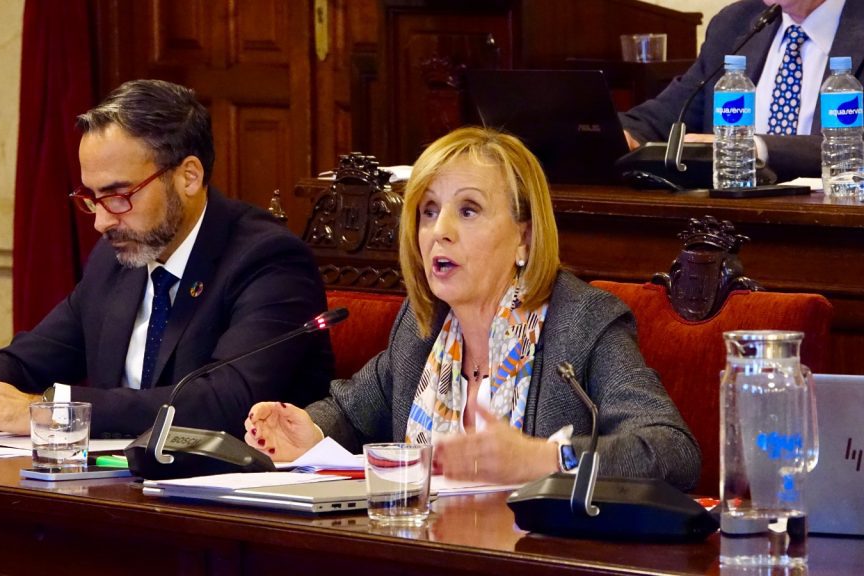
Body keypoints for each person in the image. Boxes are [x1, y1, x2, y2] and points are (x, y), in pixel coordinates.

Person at [244, 126, 700, 490]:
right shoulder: (423, 329)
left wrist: (546, 459)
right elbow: (350, 411)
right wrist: (308, 430)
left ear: (524, 236)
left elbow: (672, 451)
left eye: (468, 211)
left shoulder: (581, 323)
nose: (439, 231)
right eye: (428, 210)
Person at [0, 79, 333, 439]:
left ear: (189, 176)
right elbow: (35, 356)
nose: (102, 221)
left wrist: (49, 410)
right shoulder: (117, 259)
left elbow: (224, 402)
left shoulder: (268, 261)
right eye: (92, 198)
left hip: (230, 499)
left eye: (119, 195)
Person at [620, 0, 863, 181]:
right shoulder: (734, 22)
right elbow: (669, 114)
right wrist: (623, 133)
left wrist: (752, 147)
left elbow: (853, 146)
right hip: (732, 214)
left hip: (835, 217)